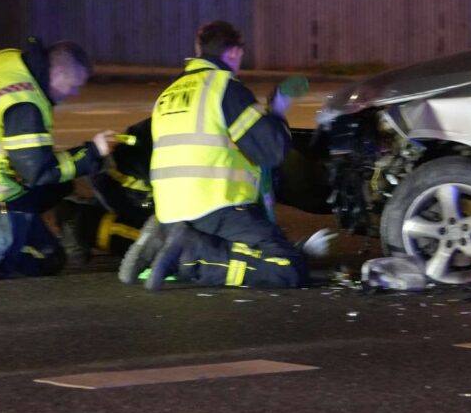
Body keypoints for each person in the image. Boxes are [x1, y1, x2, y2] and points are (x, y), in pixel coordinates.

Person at [120, 19, 334, 290]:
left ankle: (164, 238)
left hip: (170, 210)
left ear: (199, 49)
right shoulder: (224, 87)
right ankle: (188, 253)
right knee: (286, 267)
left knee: (240, 253)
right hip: (215, 207)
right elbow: (271, 150)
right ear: (234, 52)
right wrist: (277, 111)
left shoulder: (168, 94)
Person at [0, 38, 115, 280]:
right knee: (38, 260)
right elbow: (39, 172)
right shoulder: (24, 104)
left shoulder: (9, 60)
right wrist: (93, 152)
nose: (75, 94)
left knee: (59, 193)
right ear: (57, 73)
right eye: (73, 85)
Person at [54, 117, 156, 265]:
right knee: (163, 244)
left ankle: (99, 213)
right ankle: (85, 223)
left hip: (135, 187)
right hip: (133, 193)